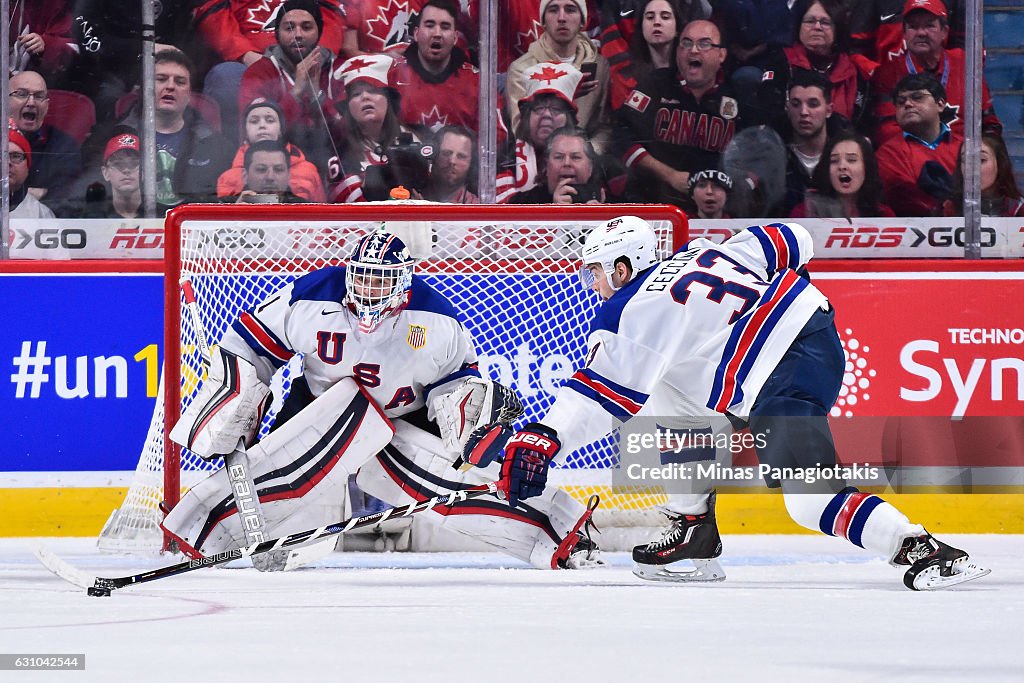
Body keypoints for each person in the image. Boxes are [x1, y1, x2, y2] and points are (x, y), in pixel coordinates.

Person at [467, 215, 990, 590]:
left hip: (781, 375)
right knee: (664, 405)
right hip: (815, 334)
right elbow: (792, 237)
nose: (593, 283)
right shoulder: (706, 251)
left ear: (624, 266)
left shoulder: (631, 309)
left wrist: (544, 439)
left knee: (808, 499)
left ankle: (920, 548)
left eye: (598, 271)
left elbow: (595, 397)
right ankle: (694, 526)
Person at [161, 229, 603, 572]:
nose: (370, 291)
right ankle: (200, 533)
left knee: (458, 477)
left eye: (382, 281)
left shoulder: (437, 321)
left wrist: (469, 430)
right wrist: (238, 394)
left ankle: (557, 533)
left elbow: (456, 385)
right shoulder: (312, 297)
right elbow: (250, 346)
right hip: (319, 405)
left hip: (402, 416)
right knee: (276, 472)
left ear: (403, 282)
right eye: (364, 279)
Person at [612, 19, 758, 207]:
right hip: (656, 203)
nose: (694, 50)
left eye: (704, 44)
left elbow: (757, 154)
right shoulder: (656, 85)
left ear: (721, 55)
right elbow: (621, 135)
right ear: (678, 51)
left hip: (718, 211)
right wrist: (669, 175)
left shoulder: (738, 95)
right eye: (686, 43)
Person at [196, 0, 354, 141]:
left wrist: (311, 57)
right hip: (251, 62)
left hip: (310, 59)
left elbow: (331, 16)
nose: (297, 33)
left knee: (351, 74)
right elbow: (212, 13)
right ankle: (234, 154)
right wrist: (245, 54)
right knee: (228, 76)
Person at [105, 49, 235, 207]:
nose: (170, 86)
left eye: (180, 82)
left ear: (189, 95)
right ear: (145, 89)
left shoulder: (219, 148)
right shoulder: (112, 138)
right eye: (161, 79)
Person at [869, 0, 1000, 146]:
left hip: (962, 160)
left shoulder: (965, 63)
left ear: (944, 32)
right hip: (912, 160)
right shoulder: (888, 71)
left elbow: (989, 124)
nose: (921, 33)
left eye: (929, 25)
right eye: (913, 27)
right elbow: (886, 131)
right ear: (904, 34)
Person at [237, 0, 348, 170]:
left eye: (306, 27)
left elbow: (347, 134)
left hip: (336, 163)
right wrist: (295, 93)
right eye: (289, 28)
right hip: (276, 166)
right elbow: (257, 135)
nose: (298, 35)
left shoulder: (339, 70)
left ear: (319, 31)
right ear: (277, 34)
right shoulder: (259, 72)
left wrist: (316, 96)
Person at [506, 0, 611, 152]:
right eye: (553, 10)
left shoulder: (599, 66)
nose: (562, 17)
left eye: (570, 10)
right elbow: (521, 132)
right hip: (539, 159)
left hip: (586, 161)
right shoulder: (521, 69)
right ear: (543, 21)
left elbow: (603, 127)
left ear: (583, 20)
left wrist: (586, 155)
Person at [326, 54, 425, 202]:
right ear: (348, 107)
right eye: (356, 94)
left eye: (373, 90)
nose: (365, 97)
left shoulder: (418, 140)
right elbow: (345, 209)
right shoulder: (339, 154)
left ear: (388, 100)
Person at [757, 0, 865, 126]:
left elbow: (860, 121)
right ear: (799, 28)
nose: (817, 27)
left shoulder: (852, 69)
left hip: (842, 141)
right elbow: (769, 112)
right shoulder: (781, 61)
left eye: (825, 22)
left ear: (838, 29)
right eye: (810, 21)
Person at [495, 62, 583, 203]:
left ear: (570, 119)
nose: (546, 115)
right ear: (527, 117)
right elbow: (503, 209)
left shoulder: (586, 155)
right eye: (539, 108)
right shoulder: (506, 156)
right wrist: (551, 202)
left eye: (556, 108)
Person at [875, 72, 960, 216]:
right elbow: (908, 200)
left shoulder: (967, 148)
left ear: (940, 104)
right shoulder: (887, 154)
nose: (907, 104)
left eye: (917, 97)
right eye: (900, 102)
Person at [394, 0, 481, 136]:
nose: (437, 33)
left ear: (455, 37)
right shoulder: (393, 75)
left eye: (445, 27)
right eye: (429, 25)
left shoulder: (476, 82)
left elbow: (496, 136)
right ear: (416, 34)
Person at [218, 99, 326, 202]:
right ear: (245, 131)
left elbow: (320, 216)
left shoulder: (307, 171)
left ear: (280, 129)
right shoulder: (228, 177)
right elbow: (221, 218)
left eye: (270, 120)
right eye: (254, 121)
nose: (262, 125)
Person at [775, 70, 848, 216]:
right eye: (796, 104)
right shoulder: (772, 154)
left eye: (813, 104)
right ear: (788, 110)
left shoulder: (848, 154)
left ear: (829, 110)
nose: (804, 112)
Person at [8, 69, 82, 202]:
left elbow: (65, 196)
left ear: (47, 105)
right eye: (21, 94)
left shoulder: (64, 146)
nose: (31, 102)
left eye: (39, 96)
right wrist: (30, 195)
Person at [791, 130, 894, 218]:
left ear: (866, 167)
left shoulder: (883, 214)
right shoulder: (803, 212)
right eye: (834, 161)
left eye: (851, 160)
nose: (842, 166)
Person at [74, 130, 172, 219]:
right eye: (118, 164)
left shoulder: (164, 216)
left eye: (133, 163)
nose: (126, 170)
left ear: (146, 171)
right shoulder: (91, 218)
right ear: (105, 172)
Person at [510, 126, 610, 204]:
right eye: (559, 157)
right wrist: (554, 213)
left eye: (575, 157)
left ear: (590, 167)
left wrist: (597, 219)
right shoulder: (523, 203)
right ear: (546, 166)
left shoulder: (611, 204)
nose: (567, 163)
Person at [940, 135, 1024, 218]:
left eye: (981, 160)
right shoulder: (947, 209)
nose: (971, 168)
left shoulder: (1019, 209)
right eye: (965, 160)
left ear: (1000, 163)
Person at [225, 139, 309, 203]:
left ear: (289, 176)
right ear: (245, 176)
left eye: (278, 169)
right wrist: (234, 217)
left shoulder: (307, 212)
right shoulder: (222, 207)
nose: (270, 177)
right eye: (261, 169)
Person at [8, 121, 55, 219]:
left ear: (27, 168)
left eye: (16, 156)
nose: (7, 162)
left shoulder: (40, 214)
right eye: (1, 156)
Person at [423, 125, 479, 203]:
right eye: (446, 153)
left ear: (471, 163)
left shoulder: (476, 207)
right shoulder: (410, 196)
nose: (452, 161)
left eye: (461, 156)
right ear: (433, 155)